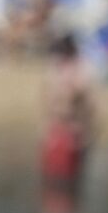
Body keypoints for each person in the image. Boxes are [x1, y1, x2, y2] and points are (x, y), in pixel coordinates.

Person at [40, 35, 98, 199]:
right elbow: (47, 99)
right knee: (52, 181)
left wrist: (87, 133)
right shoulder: (55, 68)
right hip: (57, 128)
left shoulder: (83, 70)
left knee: (71, 183)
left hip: (75, 129)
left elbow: (91, 106)